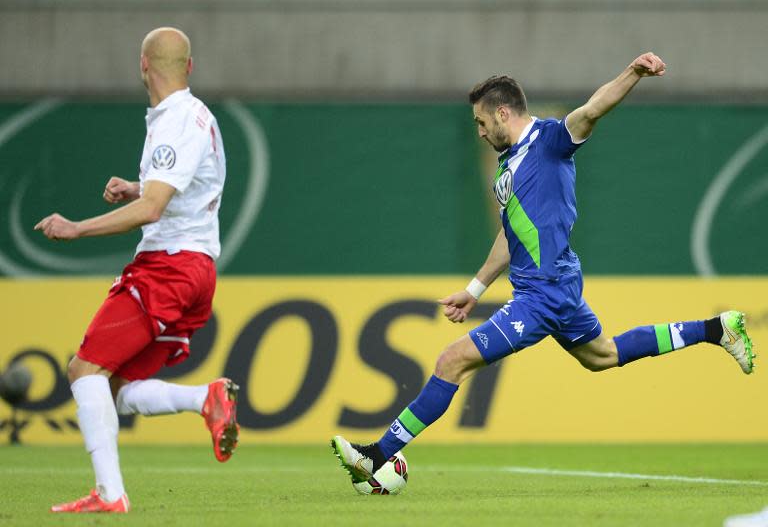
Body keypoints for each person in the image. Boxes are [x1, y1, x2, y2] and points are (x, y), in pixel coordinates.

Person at [330, 52, 755, 482]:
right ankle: (716, 329)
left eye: (480, 122)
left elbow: (592, 111)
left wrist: (633, 73)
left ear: (502, 112)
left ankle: (378, 454)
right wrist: (475, 290)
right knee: (602, 355)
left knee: (450, 361)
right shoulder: (508, 167)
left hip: (543, 293)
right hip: (556, 286)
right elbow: (509, 236)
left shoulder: (549, 141)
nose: (478, 132)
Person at [36, 27, 239, 513]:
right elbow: (183, 189)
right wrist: (138, 186)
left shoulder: (174, 121)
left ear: (142, 64)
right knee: (112, 388)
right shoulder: (196, 116)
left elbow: (152, 211)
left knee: (84, 369)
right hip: (197, 270)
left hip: (167, 268)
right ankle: (204, 399)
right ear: (188, 66)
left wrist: (77, 228)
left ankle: (110, 495)